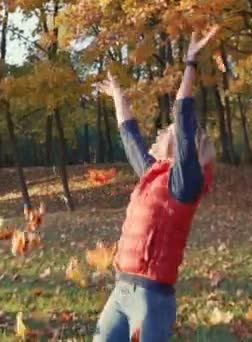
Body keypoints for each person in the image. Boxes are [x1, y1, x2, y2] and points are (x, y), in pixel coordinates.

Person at [93, 26, 219, 342]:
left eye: (166, 133)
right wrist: (118, 96)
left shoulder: (185, 183)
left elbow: (183, 112)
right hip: (121, 290)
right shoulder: (153, 175)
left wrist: (190, 63)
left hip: (151, 299)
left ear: (179, 147)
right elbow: (130, 136)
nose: (160, 134)